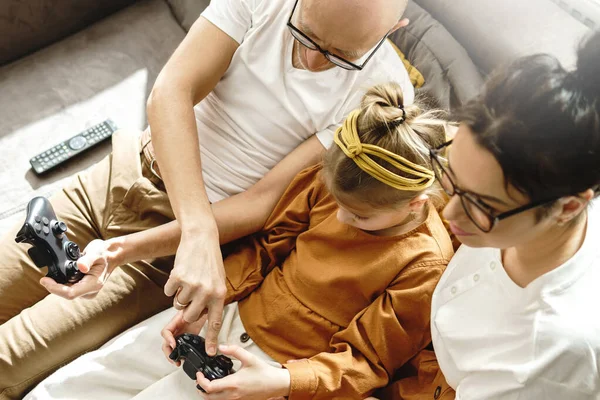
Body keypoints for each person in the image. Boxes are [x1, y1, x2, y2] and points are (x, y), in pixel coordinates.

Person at [0, 0, 415, 397]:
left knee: (7, 362)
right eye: (305, 34)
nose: (314, 60)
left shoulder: (383, 95)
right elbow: (171, 92)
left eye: (341, 56)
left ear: (394, 30)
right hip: (126, 175)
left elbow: (266, 201)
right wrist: (197, 229)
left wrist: (194, 235)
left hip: (173, 248)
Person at [25, 82, 454, 400]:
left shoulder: (424, 265)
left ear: (415, 206)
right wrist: (207, 302)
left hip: (271, 372)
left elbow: (366, 362)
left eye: (359, 217)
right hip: (225, 317)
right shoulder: (333, 181)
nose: (341, 217)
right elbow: (265, 249)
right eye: (338, 204)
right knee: (64, 388)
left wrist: (282, 382)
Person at [428, 31, 600, 399]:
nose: (450, 211)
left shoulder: (545, 355)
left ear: (568, 206)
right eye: (451, 176)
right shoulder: (513, 215)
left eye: (482, 205)